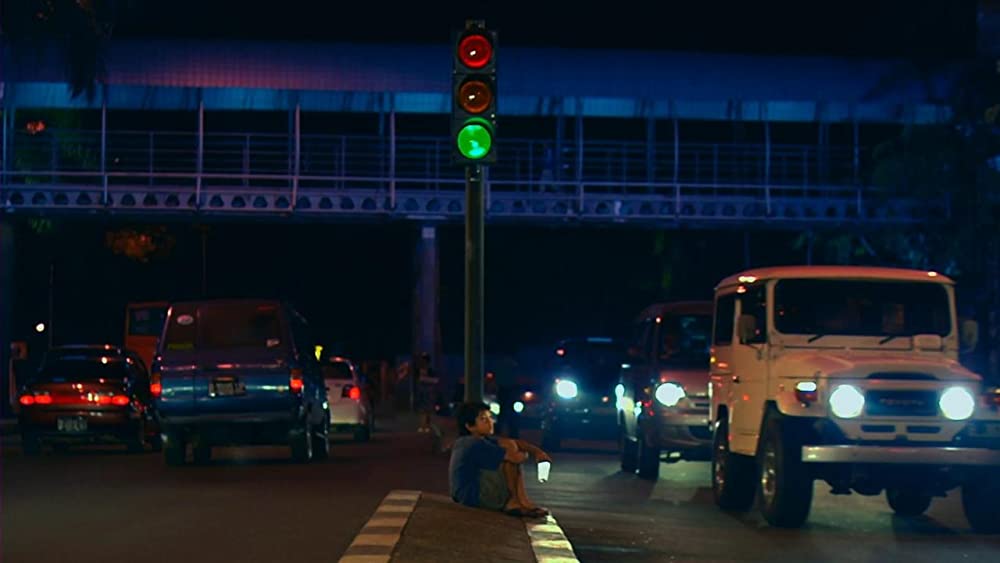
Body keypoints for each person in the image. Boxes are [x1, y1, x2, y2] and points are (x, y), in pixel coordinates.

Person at [448, 401, 551, 518]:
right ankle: (516, 501)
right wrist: (525, 454)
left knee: (508, 445)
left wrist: (538, 452)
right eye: (483, 419)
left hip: (464, 495)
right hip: (472, 496)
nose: (490, 422)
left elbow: (515, 442)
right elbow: (515, 458)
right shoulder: (473, 443)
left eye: (490, 418)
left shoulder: (475, 440)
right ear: (469, 426)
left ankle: (521, 501)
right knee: (509, 454)